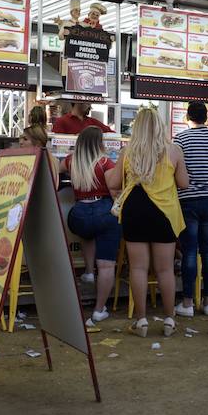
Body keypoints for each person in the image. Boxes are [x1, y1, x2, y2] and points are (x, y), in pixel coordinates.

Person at [106, 108, 188, 338]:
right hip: (165, 213)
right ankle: (169, 319)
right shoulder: (174, 151)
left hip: (135, 209)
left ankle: (141, 320)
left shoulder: (128, 151)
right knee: (165, 269)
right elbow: (183, 183)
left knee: (138, 268)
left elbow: (113, 181)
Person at [61, 126, 121, 325]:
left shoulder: (70, 161)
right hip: (103, 211)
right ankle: (98, 310)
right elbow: (114, 189)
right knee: (106, 265)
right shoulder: (105, 162)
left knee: (88, 233)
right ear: (99, 143)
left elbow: (55, 167)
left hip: (78, 215)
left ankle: (88, 271)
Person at [172, 101, 208, 317]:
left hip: (188, 200)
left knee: (190, 251)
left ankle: (187, 303)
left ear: (187, 117)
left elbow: (176, 170)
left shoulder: (181, 139)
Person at [18, 125, 60, 189]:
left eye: (25, 139)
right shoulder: (51, 159)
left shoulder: (41, 162)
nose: (20, 142)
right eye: (20, 139)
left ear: (38, 143)